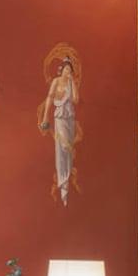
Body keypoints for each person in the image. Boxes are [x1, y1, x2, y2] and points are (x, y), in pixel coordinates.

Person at [39, 53, 81, 205]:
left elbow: (76, 100)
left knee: (68, 151)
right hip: (59, 118)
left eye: (70, 70)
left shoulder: (71, 83)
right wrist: (45, 117)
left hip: (69, 118)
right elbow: (50, 98)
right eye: (66, 69)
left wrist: (73, 82)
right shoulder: (56, 81)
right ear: (61, 69)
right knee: (62, 147)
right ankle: (62, 180)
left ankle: (65, 183)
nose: (68, 72)